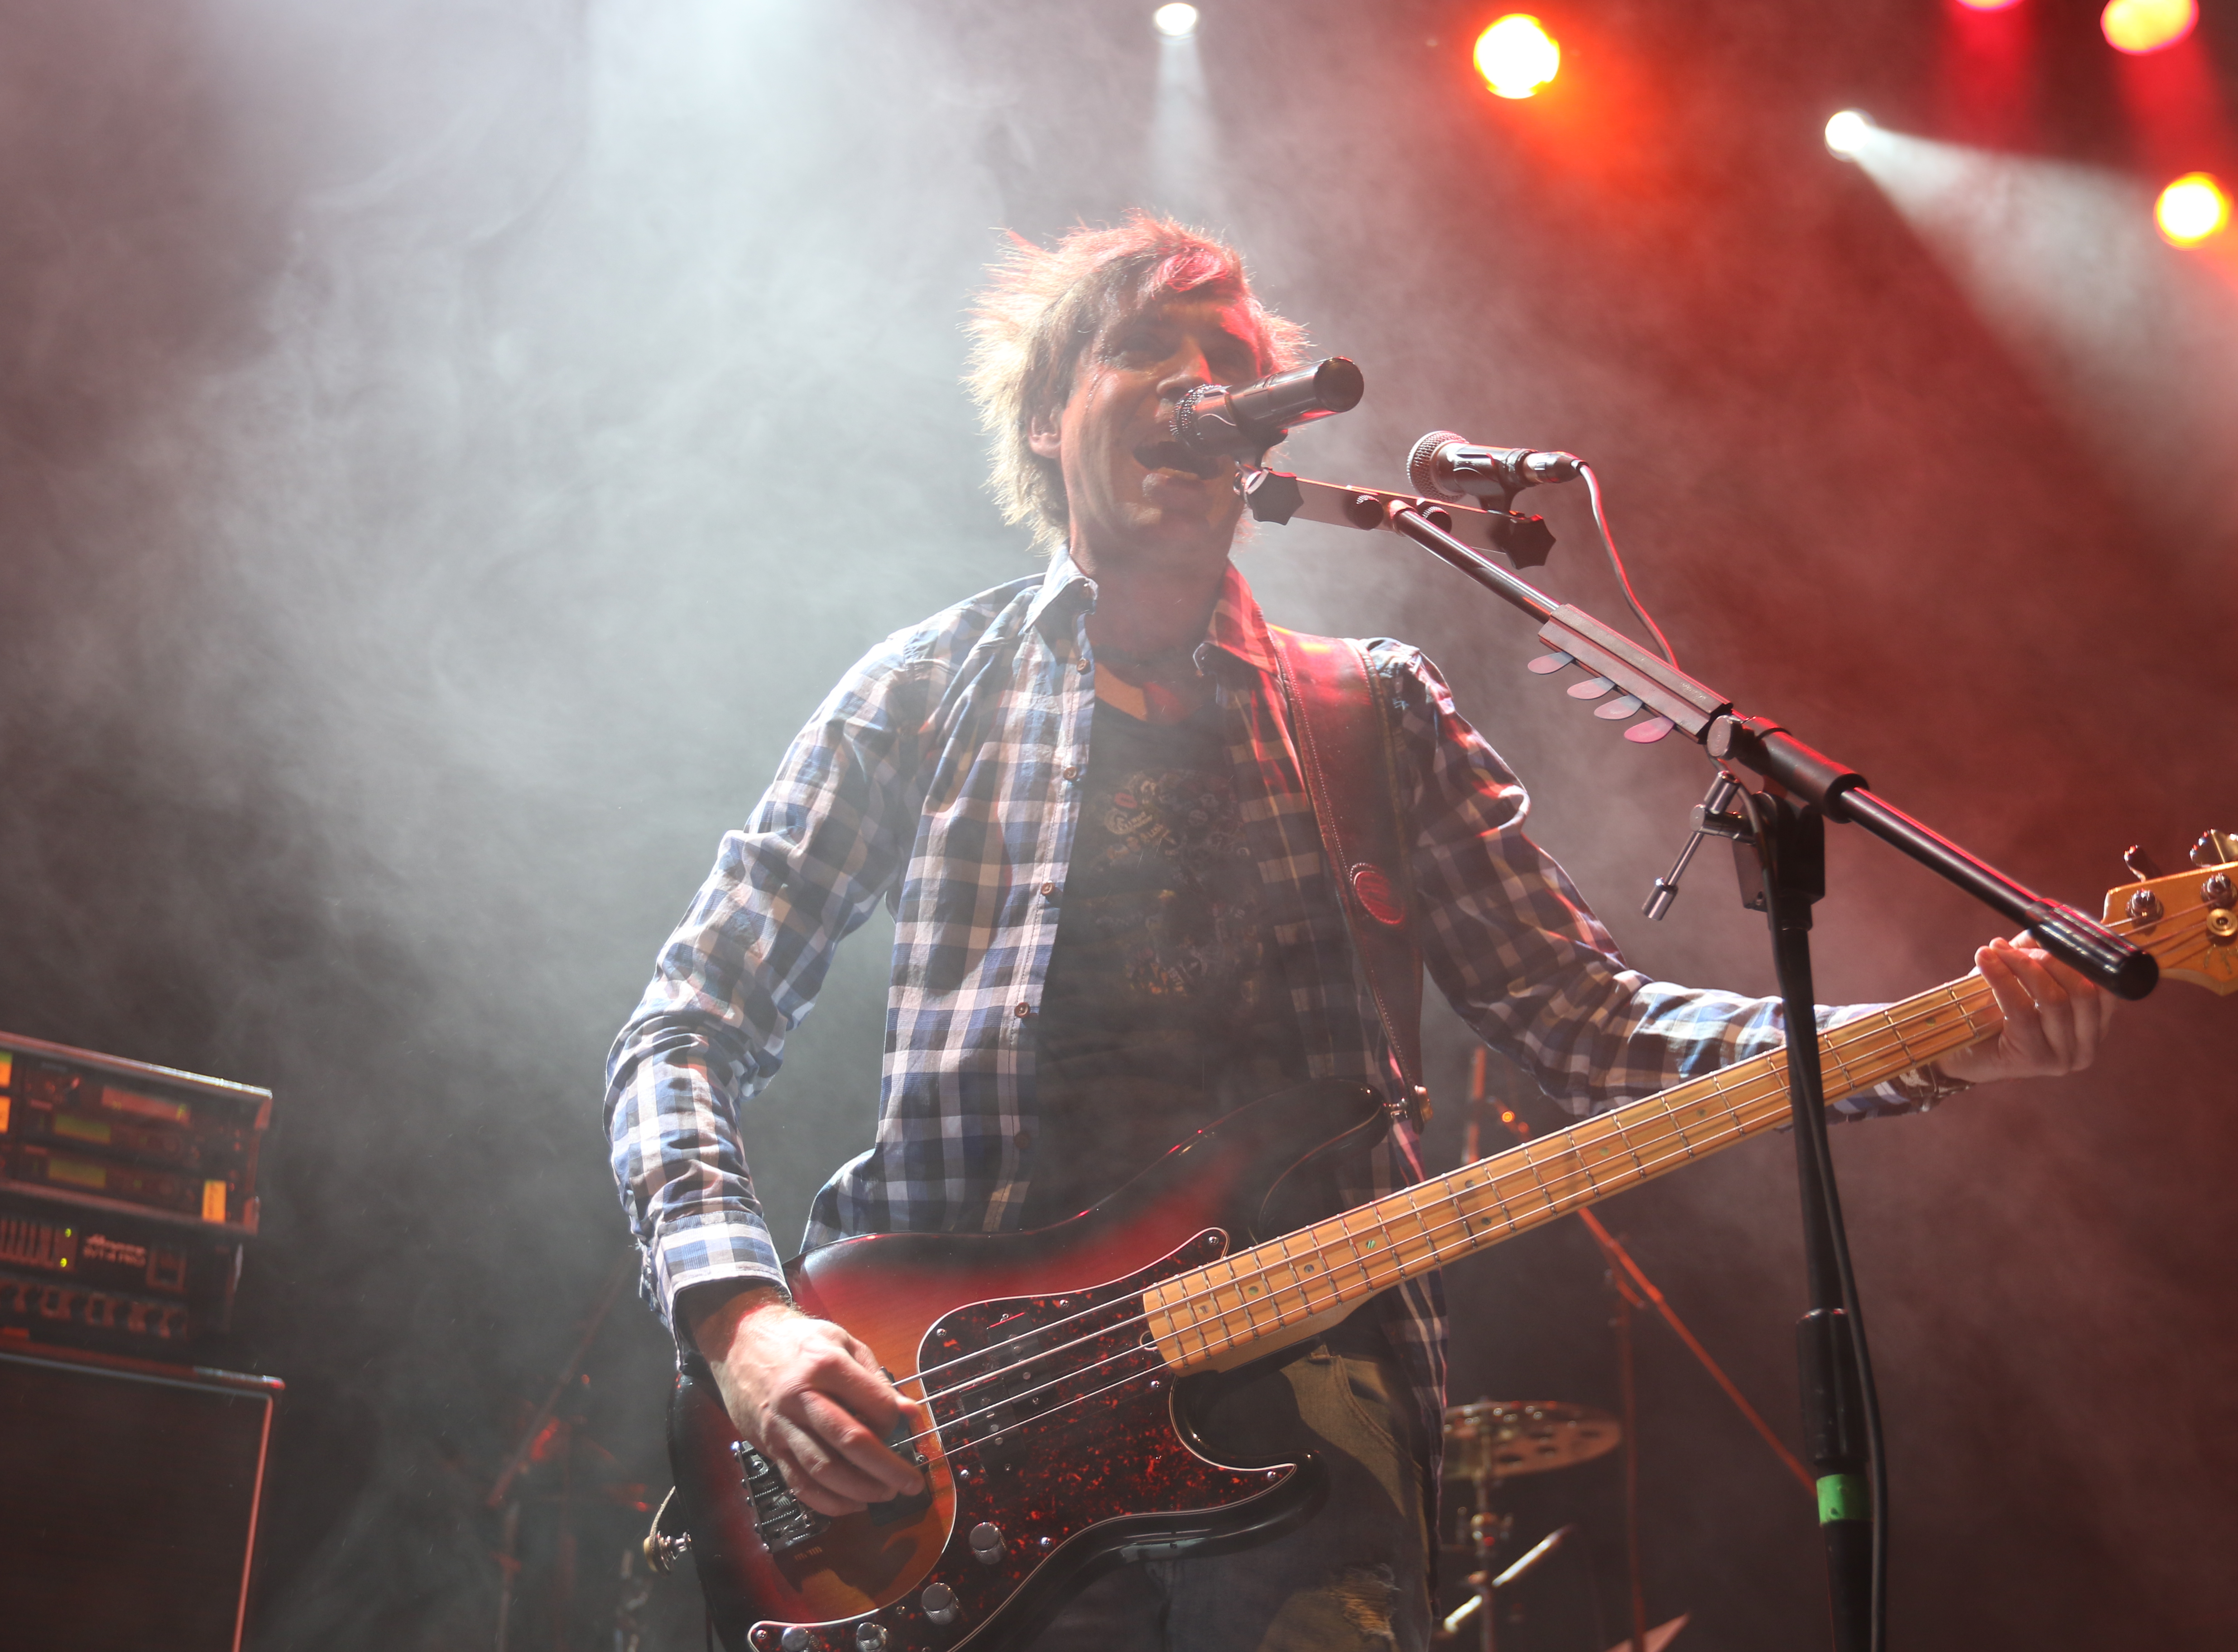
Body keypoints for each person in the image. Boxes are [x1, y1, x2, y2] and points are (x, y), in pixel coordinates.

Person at [602, 214, 2113, 1652]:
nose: (1201, 384)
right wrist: (743, 1325)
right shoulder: (926, 691)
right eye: (1147, 350)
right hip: (941, 1452)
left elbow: (1592, 1025)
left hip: (1309, 1433)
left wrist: (1930, 1041)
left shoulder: (1369, 709)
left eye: (1229, 360)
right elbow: (687, 1023)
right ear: (1052, 416)